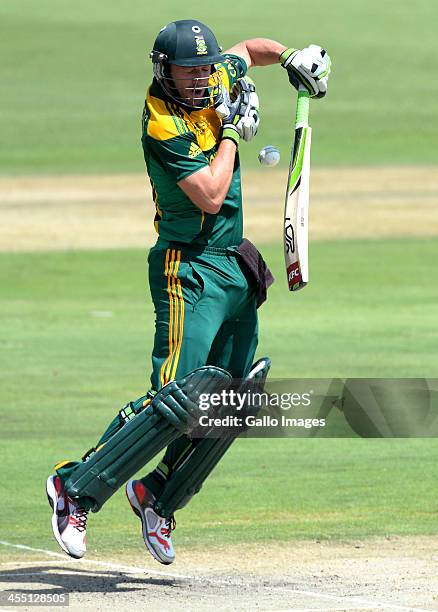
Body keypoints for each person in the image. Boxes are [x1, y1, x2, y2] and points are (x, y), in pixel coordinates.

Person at [46, 19, 331, 565]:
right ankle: (73, 488)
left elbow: (249, 50)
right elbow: (208, 193)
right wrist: (229, 131)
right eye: (189, 70)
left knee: (232, 399)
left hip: (233, 266)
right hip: (188, 271)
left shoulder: (213, 76)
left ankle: (159, 496)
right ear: (165, 72)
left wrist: (292, 55)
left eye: (205, 68)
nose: (201, 78)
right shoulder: (162, 123)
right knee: (176, 399)